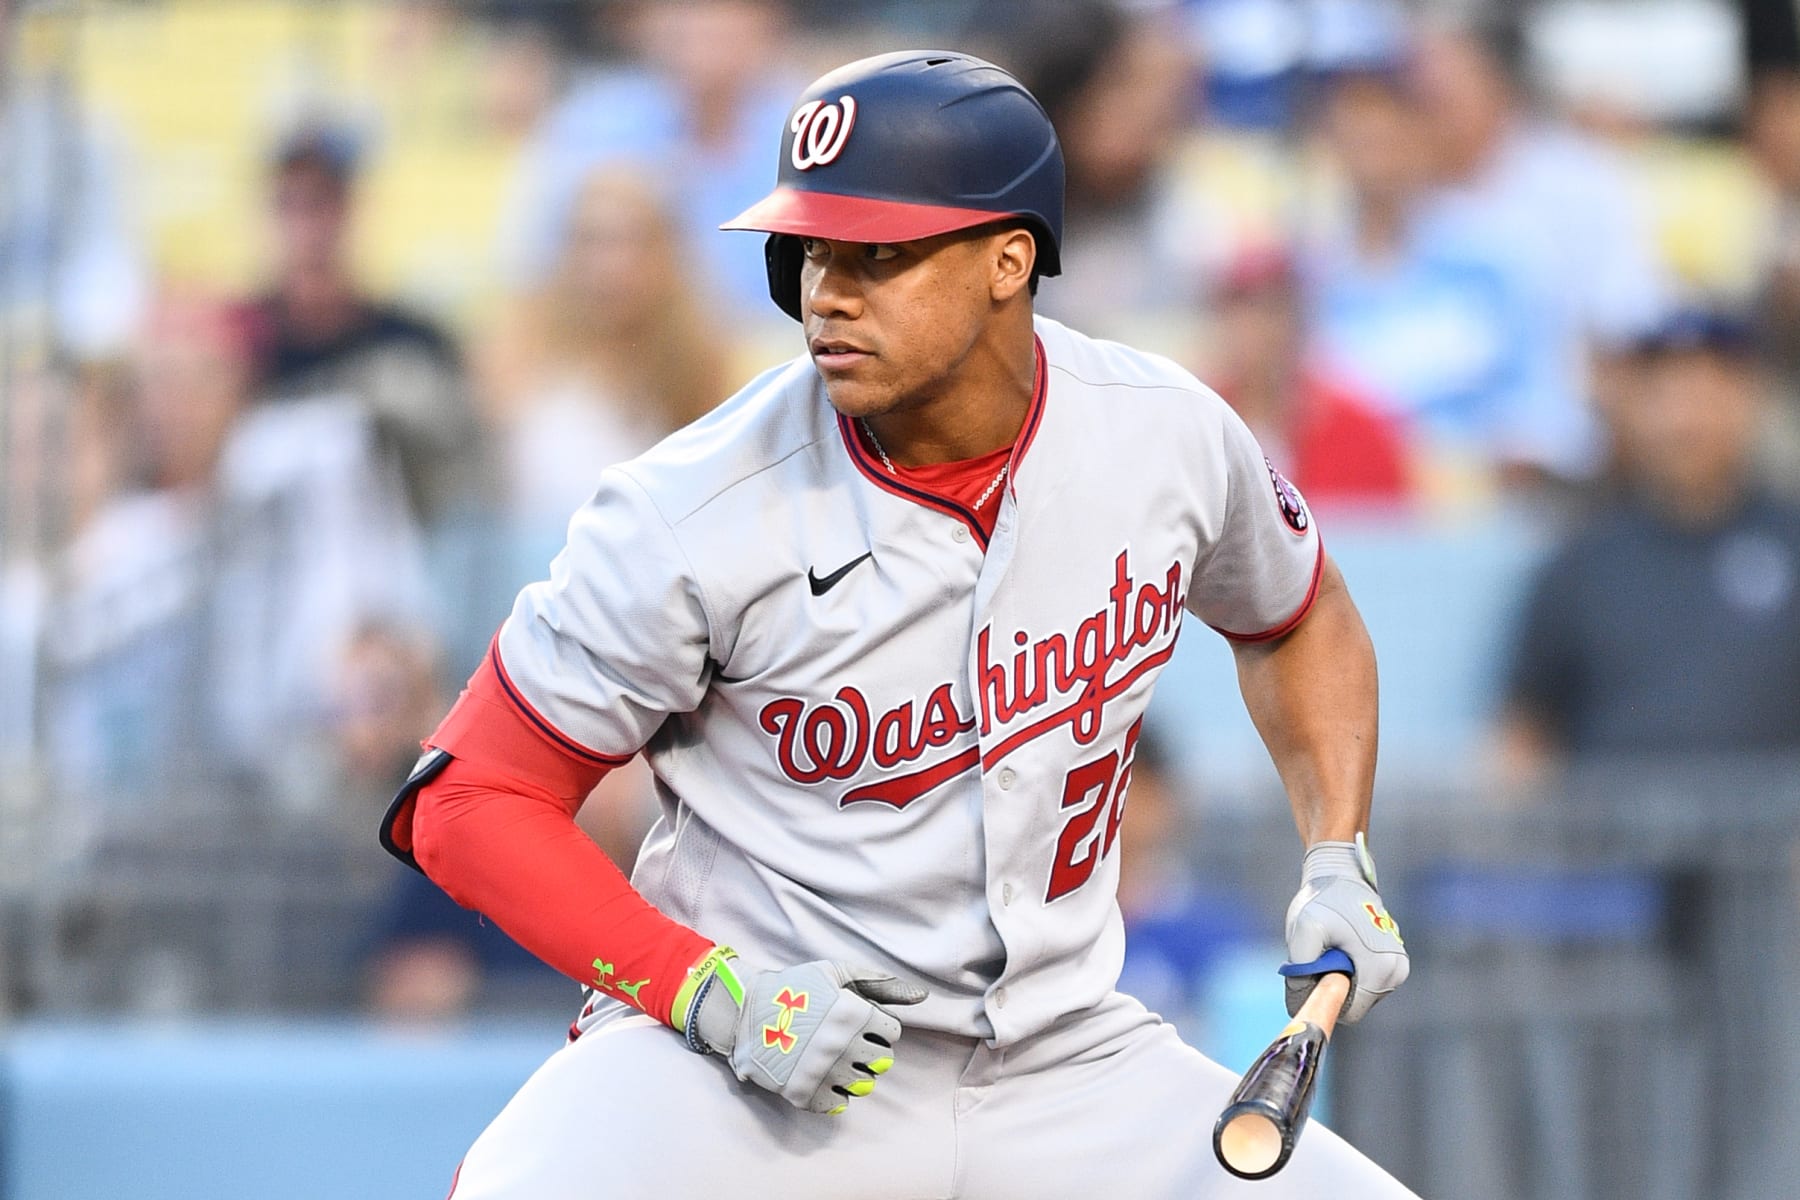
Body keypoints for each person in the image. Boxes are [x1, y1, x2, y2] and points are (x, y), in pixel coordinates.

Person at [381, 52, 1412, 1198]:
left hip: (1064, 1058)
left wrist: (1336, 851)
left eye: (881, 253)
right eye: (812, 250)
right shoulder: (693, 508)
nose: (829, 290)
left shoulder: (1164, 434)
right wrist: (703, 988)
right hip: (753, 1057)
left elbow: (1296, 612)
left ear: (1009, 260)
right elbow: (468, 799)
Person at [1500, 307, 1800, 773]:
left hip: (1775, 838)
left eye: (1706, 392)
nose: (1685, 420)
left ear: (1747, 398)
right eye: (1664, 394)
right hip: (1613, 838)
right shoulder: (1580, 564)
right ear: (1632, 409)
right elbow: (1522, 736)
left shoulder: (1790, 544)